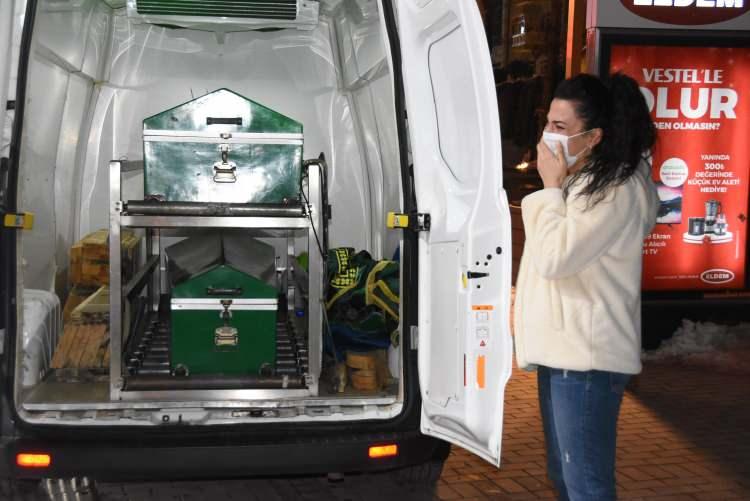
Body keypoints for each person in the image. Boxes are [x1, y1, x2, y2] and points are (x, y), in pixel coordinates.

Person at [513, 73, 659, 501]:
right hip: (564, 355)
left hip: (585, 361)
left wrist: (549, 189)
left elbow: (555, 258)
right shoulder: (588, 181)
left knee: (586, 486)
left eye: (560, 126)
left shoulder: (613, 189)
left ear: (594, 136)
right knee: (566, 477)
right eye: (547, 122)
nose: (548, 135)